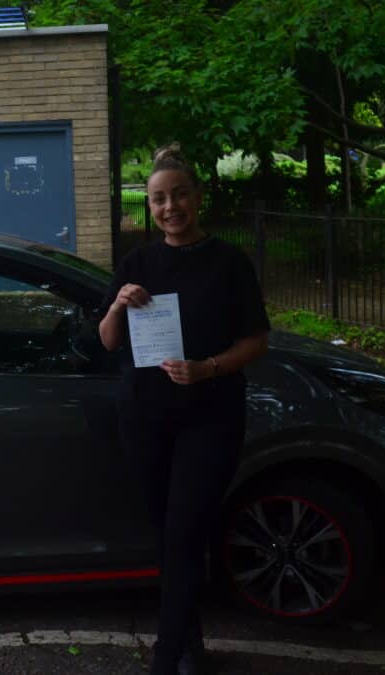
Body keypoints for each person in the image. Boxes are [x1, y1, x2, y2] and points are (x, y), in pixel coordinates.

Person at [98, 146, 269, 674]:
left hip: (210, 412)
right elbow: (106, 341)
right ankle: (190, 641)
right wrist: (118, 304)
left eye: (179, 195)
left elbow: (257, 340)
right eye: (158, 199)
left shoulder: (229, 262)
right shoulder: (137, 263)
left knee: (185, 529)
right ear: (149, 206)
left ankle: (165, 652)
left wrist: (207, 367)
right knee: (169, 533)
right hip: (146, 416)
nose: (170, 207)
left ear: (197, 198)